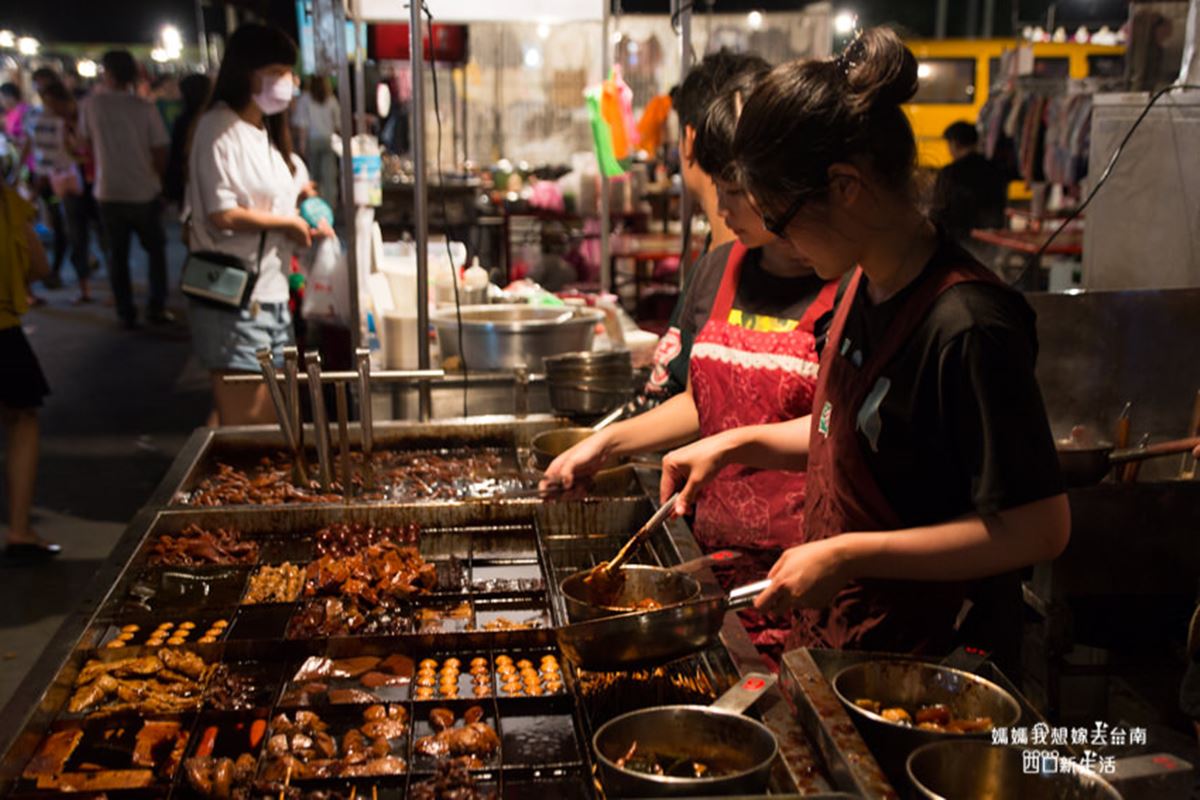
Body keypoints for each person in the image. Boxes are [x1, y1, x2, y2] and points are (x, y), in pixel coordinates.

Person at [658, 29, 1070, 663]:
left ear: (846, 186)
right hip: (843, 645)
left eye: (782, 216)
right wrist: (736, 443)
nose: (775, 237)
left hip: (931, 668)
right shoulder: (859, 286)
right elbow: (848, 432)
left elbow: (1040, 528)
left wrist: (849, 554)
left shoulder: (968, 324)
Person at [543, 66, 840, 668]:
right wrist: (605, 446)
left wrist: (731, 445)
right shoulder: (720, 268)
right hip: (710, 567)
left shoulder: (848, 284)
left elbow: (841, 431)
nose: (721, 206)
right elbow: (708, 400)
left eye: (734, 191)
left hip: (804, 577)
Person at [186, 23, 330, 426]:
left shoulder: (260, 130)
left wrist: (304, 198)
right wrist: (286, 224)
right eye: (279, 71)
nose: (290, 82)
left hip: (270, 293)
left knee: (266, 419)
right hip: (233, 297)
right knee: (254, 426)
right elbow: (222, 213)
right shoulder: (217, 129)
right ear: (248, 71)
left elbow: (282, 180)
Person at [643, 51, 771, 404]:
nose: (723, 205)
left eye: (734, 190)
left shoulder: (777, 267)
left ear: (689, 140)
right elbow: (693, 400)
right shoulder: (715, 262)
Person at [79, 49, 171, 328]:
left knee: (117, 256)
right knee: (156, 250)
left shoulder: (91, 106)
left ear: (107, 73)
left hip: (108, 191)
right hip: (143, 190)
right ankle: (156, 307)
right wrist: (157, 177)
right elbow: (160, 149)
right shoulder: (143, 107)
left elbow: (83, 145)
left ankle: (125, 311)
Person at [0, 180, 59, 559]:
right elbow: (39, 265)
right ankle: (20, 530)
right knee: (22, 420)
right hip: (2, 331)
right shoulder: (8, 203)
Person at [31, 82, 92, 303]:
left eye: (53, 102)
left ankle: (86, 282)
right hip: (67, 182)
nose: (51, 107)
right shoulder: (51, 123)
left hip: (89, 181)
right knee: (74, 233)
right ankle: (83, 286)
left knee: (88, 233)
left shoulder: (82, 118)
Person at [930, 121, 1007, 258]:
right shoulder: (995, 169)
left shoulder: (950, 172)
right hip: (990, 238)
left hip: (959, 240)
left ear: (954, 143)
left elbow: (939, 209)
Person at [164, 73, 212, 207]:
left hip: (188, 181)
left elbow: (176, 154)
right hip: (210, 180)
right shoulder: (214, 119)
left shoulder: (183, 121)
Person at [293, 74, 340, 205]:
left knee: (313, 177)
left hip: (312, 141)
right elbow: (338, 124)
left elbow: (303, 125)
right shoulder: (331, 99)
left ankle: (315, 207)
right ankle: (330, 207)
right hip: (328, 140)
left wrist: (301, 145)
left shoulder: (305, 99)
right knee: (329, 177)